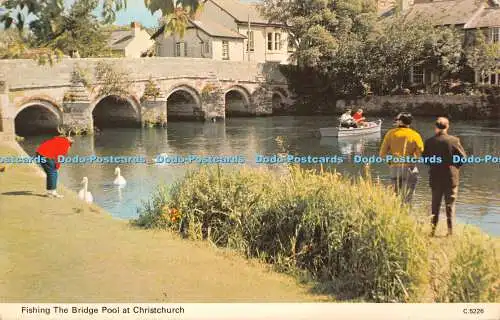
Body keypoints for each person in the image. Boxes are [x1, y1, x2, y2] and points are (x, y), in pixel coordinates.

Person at [422, 117, 467, 237]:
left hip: (435, 176)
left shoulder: (429, 141)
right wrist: (455, 167)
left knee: (435, 205)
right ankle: (450, 232)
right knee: (450, 205)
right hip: (451, 177)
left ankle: (432, 231)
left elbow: (425, 160)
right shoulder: (454, 140)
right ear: (447, 127)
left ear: (435, 127)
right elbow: (463, 158)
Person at [379, 112, 424, 204]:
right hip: (409, 168)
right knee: (407, 198)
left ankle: (396, 216)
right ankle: (406, 216)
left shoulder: (390, 134)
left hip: (394, 168)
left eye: (396, 119)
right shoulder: (415, 135)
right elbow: (420, 153)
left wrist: (391, 162)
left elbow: (382, 154)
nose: (395, 121)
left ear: (400, 122)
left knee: (395, 197)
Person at [36, 134, 73, 198]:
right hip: (45, 155)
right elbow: (59, 157)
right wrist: (57, 167)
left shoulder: (59, 140)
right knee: (53, 172)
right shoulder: (65, 144)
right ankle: (53, 192)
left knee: (50, 173)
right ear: (70, 144)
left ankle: (50, 192)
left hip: (39, 153)